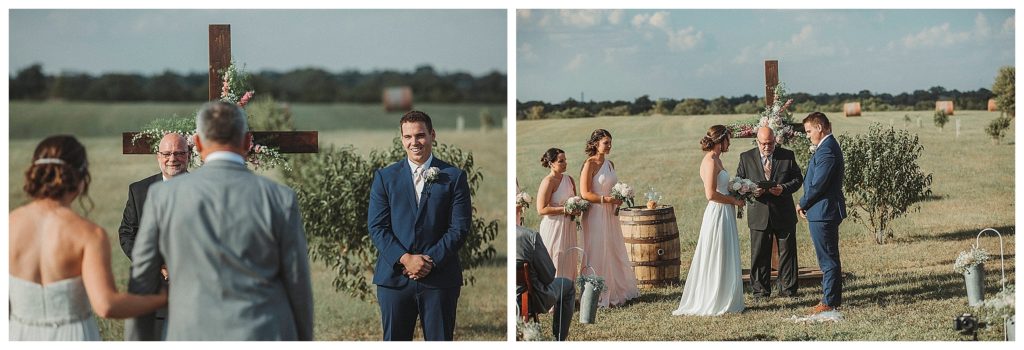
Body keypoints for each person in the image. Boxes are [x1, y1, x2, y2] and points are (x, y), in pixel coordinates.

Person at [127, 101, 313, 340]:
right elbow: (297, 284)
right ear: (247, 142)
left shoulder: (163, 197)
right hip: (261, 332)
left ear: (199, 144)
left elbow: (141, 281)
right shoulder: (280, 198)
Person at [9, 135, 168, 341]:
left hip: (19, 335)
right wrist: (160, 299)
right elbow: (107, 305)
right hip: (73, 336)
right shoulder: (88, 234)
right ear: (81, 177)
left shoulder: (9, 224)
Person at [368, 110, 472, 341]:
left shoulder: (454, 177)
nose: (414, 142)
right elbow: (377, 227)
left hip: (440, 279)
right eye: (408, 137)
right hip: (394, 279)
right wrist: (406, 259)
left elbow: (459, 228)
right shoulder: (385, 177)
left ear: (432, 135)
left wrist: (428, 261)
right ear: (402, 139)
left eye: (420, 135)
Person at [119, 133, 190, 340]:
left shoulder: (204, 190)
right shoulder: (139, 190)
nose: (172, 159)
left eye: (179, 153)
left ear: (189, 155)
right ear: (158, 156)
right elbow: (127, 233)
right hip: (152, 289)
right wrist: (156, 264)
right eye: (167, 153)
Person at [672, 125, 745, 316]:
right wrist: (734, 200)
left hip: (725, 211)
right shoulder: (710, 161)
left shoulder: (717, 159)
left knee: (725, 250)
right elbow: (710, 194)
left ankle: (725, 295)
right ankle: (713, 298)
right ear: (721, 141)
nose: (730, 143)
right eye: (728, 139)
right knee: (717, 251)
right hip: (718, 212)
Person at [735, 127, 803, 299]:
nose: (767, 147)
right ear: (757, 141)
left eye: (771, 143)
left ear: (775, 140)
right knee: (759, 254)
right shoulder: (746, 157)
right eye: (764, 143)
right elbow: (738, 181)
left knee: (787, 253)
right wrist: (751, 190)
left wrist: (783, 188)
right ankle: (760, 291)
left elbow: (797, 179)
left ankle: (788, 290)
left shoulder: (787, 155)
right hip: (758, 214)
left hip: (783, 213)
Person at [579, 129, 639, 308]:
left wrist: (619, 198)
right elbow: (585, 193)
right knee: (597, 249)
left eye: (610, 142)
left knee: (612, 248)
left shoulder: (610, 164)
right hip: (595, 213)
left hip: (610, 214)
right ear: (595, 144)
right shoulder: (589, 164)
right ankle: (596, 294)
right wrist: (607, 200)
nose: (609, 146)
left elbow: (613, 186)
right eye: (606, 143)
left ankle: (616, 290)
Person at [797, 112, 847, 314]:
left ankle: (829, 301)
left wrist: (802, 203)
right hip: (821, 210)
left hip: (823, 211)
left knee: (827, 258)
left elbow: (818, 184)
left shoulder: (827, 150)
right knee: (827, 256)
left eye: (809, 131)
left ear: (820, 128)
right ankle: (830, 298)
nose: (808, 135)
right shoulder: (826, 147)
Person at [516, 226, 575, 341]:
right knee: (568, 286)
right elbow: (548, 276)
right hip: (532, 299)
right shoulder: (530, 237)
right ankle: (558, 339)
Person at [536, 148, 579, 282]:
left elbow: (575, 200)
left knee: (569, 259)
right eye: (561, 161)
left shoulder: (570, 179)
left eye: (565, 160)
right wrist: (565, 210)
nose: (565, 163)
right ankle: (552, 300)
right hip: (554, 227)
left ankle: (568, 299)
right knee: (555, 259)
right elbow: (541, 209)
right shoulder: (548, 181)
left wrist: (578, 208)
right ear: (551, 163)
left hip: (569, 226)